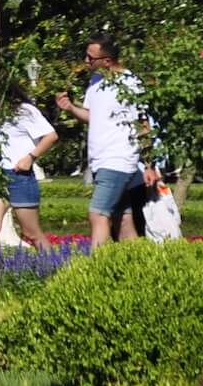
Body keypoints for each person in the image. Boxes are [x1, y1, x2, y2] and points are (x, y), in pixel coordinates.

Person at [56, 35, 154, 246]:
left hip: (118, 158)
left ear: (107, 60)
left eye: (91, 58)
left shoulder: (131, 83)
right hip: (100, 160)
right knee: (123, 219)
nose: (86, 61)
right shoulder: (95, 82)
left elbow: (143, 125)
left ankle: (95, 267)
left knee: (98, 214)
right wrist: (71, 108)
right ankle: (140, 265)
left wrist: (148, 165)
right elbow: (93, 116)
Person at [0, 80, 58, 257]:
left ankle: (55, 266)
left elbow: (51, 136)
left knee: (31, 232)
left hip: (19, 176)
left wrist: (30, 157)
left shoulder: (26, 111)